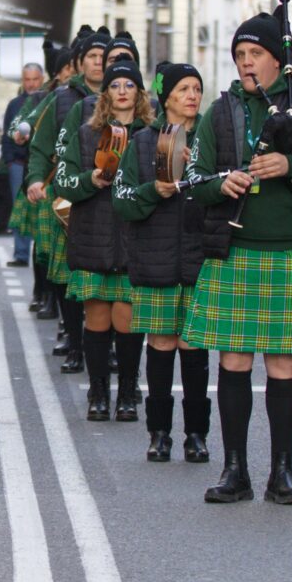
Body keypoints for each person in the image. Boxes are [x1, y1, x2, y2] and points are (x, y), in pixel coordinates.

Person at [180, 9, 292, 507]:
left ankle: (283, 472)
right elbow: (195, 178)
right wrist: (221, 182)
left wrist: (288, 163)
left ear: (278, 60)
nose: (246, 63)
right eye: (239, 55)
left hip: (286, 250)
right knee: (233, 360)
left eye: (255, 53)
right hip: (234, 250)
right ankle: (235, 469)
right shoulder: (222, 112)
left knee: (282, 363)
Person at [115, 61, 215, 462]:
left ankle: (196, 434)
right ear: (167, 97)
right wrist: (153, 190)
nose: (192, 96)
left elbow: (233, 186)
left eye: (196, 88)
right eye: (183, 89)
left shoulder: (211, 138)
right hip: (154, 257)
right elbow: (122, 201)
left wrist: (197, 170)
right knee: (159, 344)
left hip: (199, 255)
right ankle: (158, 433)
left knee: (193, 346)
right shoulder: (141, 142)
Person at [55, 54, 152, 423]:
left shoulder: (151, 134)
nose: (122, 90)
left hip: (134, 237)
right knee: (96, 318)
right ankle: (98, 392)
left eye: (129, 84)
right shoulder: (86, 134)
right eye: (115, 85)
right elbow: (63, 182)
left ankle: (127, 390)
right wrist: (89, 181)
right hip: (94, 232)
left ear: (139, 92)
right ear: (105, 93)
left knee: (127, 319)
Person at [2, 59, 48, 267]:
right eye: (27, 80)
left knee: (41, 207)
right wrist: (10, 161)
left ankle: (41, 252)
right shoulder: (14, 104)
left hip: (42, 164)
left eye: (35, 79)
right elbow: (7, 134)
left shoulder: (49, 100)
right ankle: (21, 254)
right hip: (19, 162)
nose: (31, 84)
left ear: (42, 79)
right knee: (19, 208)